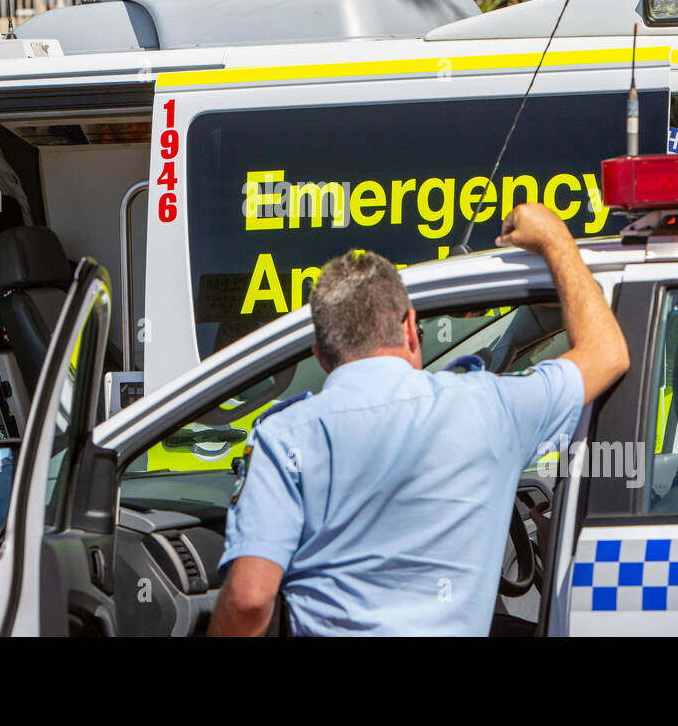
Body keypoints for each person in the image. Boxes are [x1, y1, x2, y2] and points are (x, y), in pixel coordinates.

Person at [209, 203, 630, 636]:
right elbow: (608, 353)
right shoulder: (491, 407)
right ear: (411, 328)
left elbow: (249, 598)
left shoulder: (283, 436)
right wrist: (556, 240)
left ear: (320, 354)